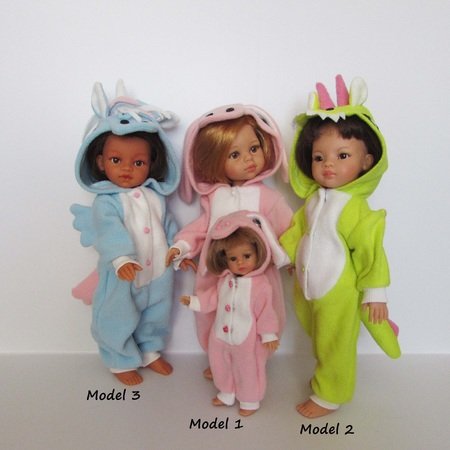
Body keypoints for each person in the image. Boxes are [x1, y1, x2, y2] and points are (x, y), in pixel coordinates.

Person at [280, 75, 400, 418]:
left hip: (338, 289)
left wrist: (375, 294)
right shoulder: (314, 200)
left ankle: (330, 394)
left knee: (335, 342)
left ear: (367, 161)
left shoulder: (355, 208)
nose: (328, 164)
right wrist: (283, 256)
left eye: (342, 155)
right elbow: (297, 232)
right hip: (309, 287)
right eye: (319, 157)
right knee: (320, 337)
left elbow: (370, 250)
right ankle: (325, 375)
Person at [165, 104, 292, 378]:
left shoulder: (269, 198)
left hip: (256, 273)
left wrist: (293, 257)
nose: (249, 159)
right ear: (215, 160)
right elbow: (202, 228)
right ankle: (220, 358)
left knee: (260, 312)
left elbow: (288, 229)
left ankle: (255, 359)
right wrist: (182, 246)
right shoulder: (214, 197)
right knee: (210, 313)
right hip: (216, 270)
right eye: (235, 154)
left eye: (254, 148)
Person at [71, 81, 181, 385]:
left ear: (152, 163)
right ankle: (118, 359)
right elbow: (108, 231)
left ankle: (149, 350)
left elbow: (167, 225)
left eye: (138, 162)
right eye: (116, 160)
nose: (127, 169)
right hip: (123, 273)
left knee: (157, 313)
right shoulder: (107, 202)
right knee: (116, 315)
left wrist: (178, 250)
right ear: (100, 162)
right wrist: (121, 258)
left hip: (158, 271)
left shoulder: (156, 197)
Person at [180, 211, 289, 416]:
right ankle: (226, 392)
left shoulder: (261, 285)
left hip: (246, 338)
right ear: (225, 259)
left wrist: (268, 335)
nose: (240, 263)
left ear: (258, 253)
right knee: (220, 364)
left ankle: (250, 400)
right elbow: (213, 299)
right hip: (220, 335)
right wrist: (194, 302)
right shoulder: (224, 280)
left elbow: (266, 311)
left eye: (246, 256)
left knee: (248, 369)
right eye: (233, 258)